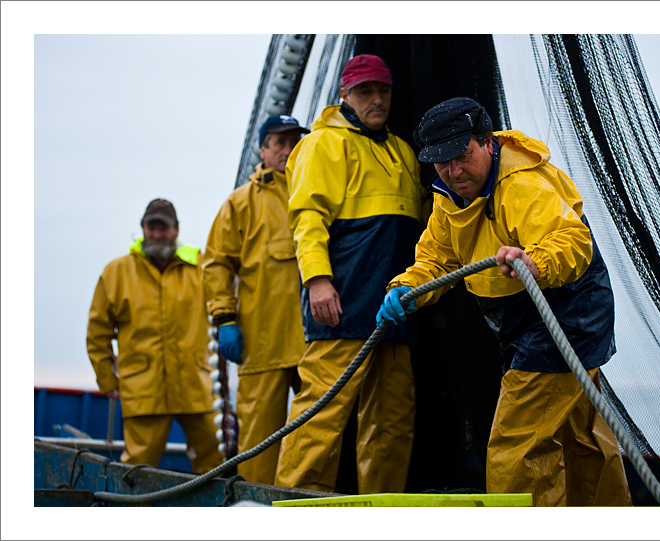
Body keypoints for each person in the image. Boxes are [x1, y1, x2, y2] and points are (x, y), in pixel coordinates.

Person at [377, 97, 632, 506]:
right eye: (441, 163)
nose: (453, 171)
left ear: (488, 143)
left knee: (517, 443)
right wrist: (406, 288)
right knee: (579, 434)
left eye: (461, 157)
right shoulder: (447, 196)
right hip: (519, 318)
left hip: (563, 311)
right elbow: (436, 259)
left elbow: (571, 239)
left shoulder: (521, 184)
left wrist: (536, 264)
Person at [273, 54, 427, 494]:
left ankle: (381, 510)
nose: (376, 99)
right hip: (342, 300)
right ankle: (294, 505)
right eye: (365, 91)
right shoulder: (322, 144)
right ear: (345, 94)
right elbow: (307, 220)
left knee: (393, 418)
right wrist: (318, 281)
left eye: (383, 90)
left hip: (394, 303)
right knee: (320, 411)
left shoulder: (401, 150)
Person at [201, 115, 310, 484]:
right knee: (259, 442)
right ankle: (257, 510)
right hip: (263, 343)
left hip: (318, 340)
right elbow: (216, 264)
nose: (287, 149)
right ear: (262, 150)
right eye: (278, 142)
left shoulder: (316, 188)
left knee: (319, 434)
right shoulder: (241, 202)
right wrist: (225, 319)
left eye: (294, 140)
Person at [86, 198, 220, 474]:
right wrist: (107, 379)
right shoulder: (116, 272)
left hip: (196, 387)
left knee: (216, 466)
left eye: (164, 227)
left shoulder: (202, 267)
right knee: (137, 472)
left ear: (177, 230)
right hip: (143, 390)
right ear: (142, 228)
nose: (157, 234)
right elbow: (97, 332)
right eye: (151, 227)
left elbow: (227, 307)